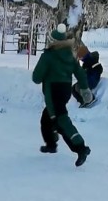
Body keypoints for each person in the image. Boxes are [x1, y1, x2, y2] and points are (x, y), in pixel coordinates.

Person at [32, 23, 93, 167]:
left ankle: (81, 148)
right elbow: (80, 74)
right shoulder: (70, 56)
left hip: (53, 91)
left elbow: (36, 78)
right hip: (65, 90)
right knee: (47, 118)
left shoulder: (48, 56)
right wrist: (85, 90)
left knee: (60, 120)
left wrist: (44, 74)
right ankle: (51, 144)